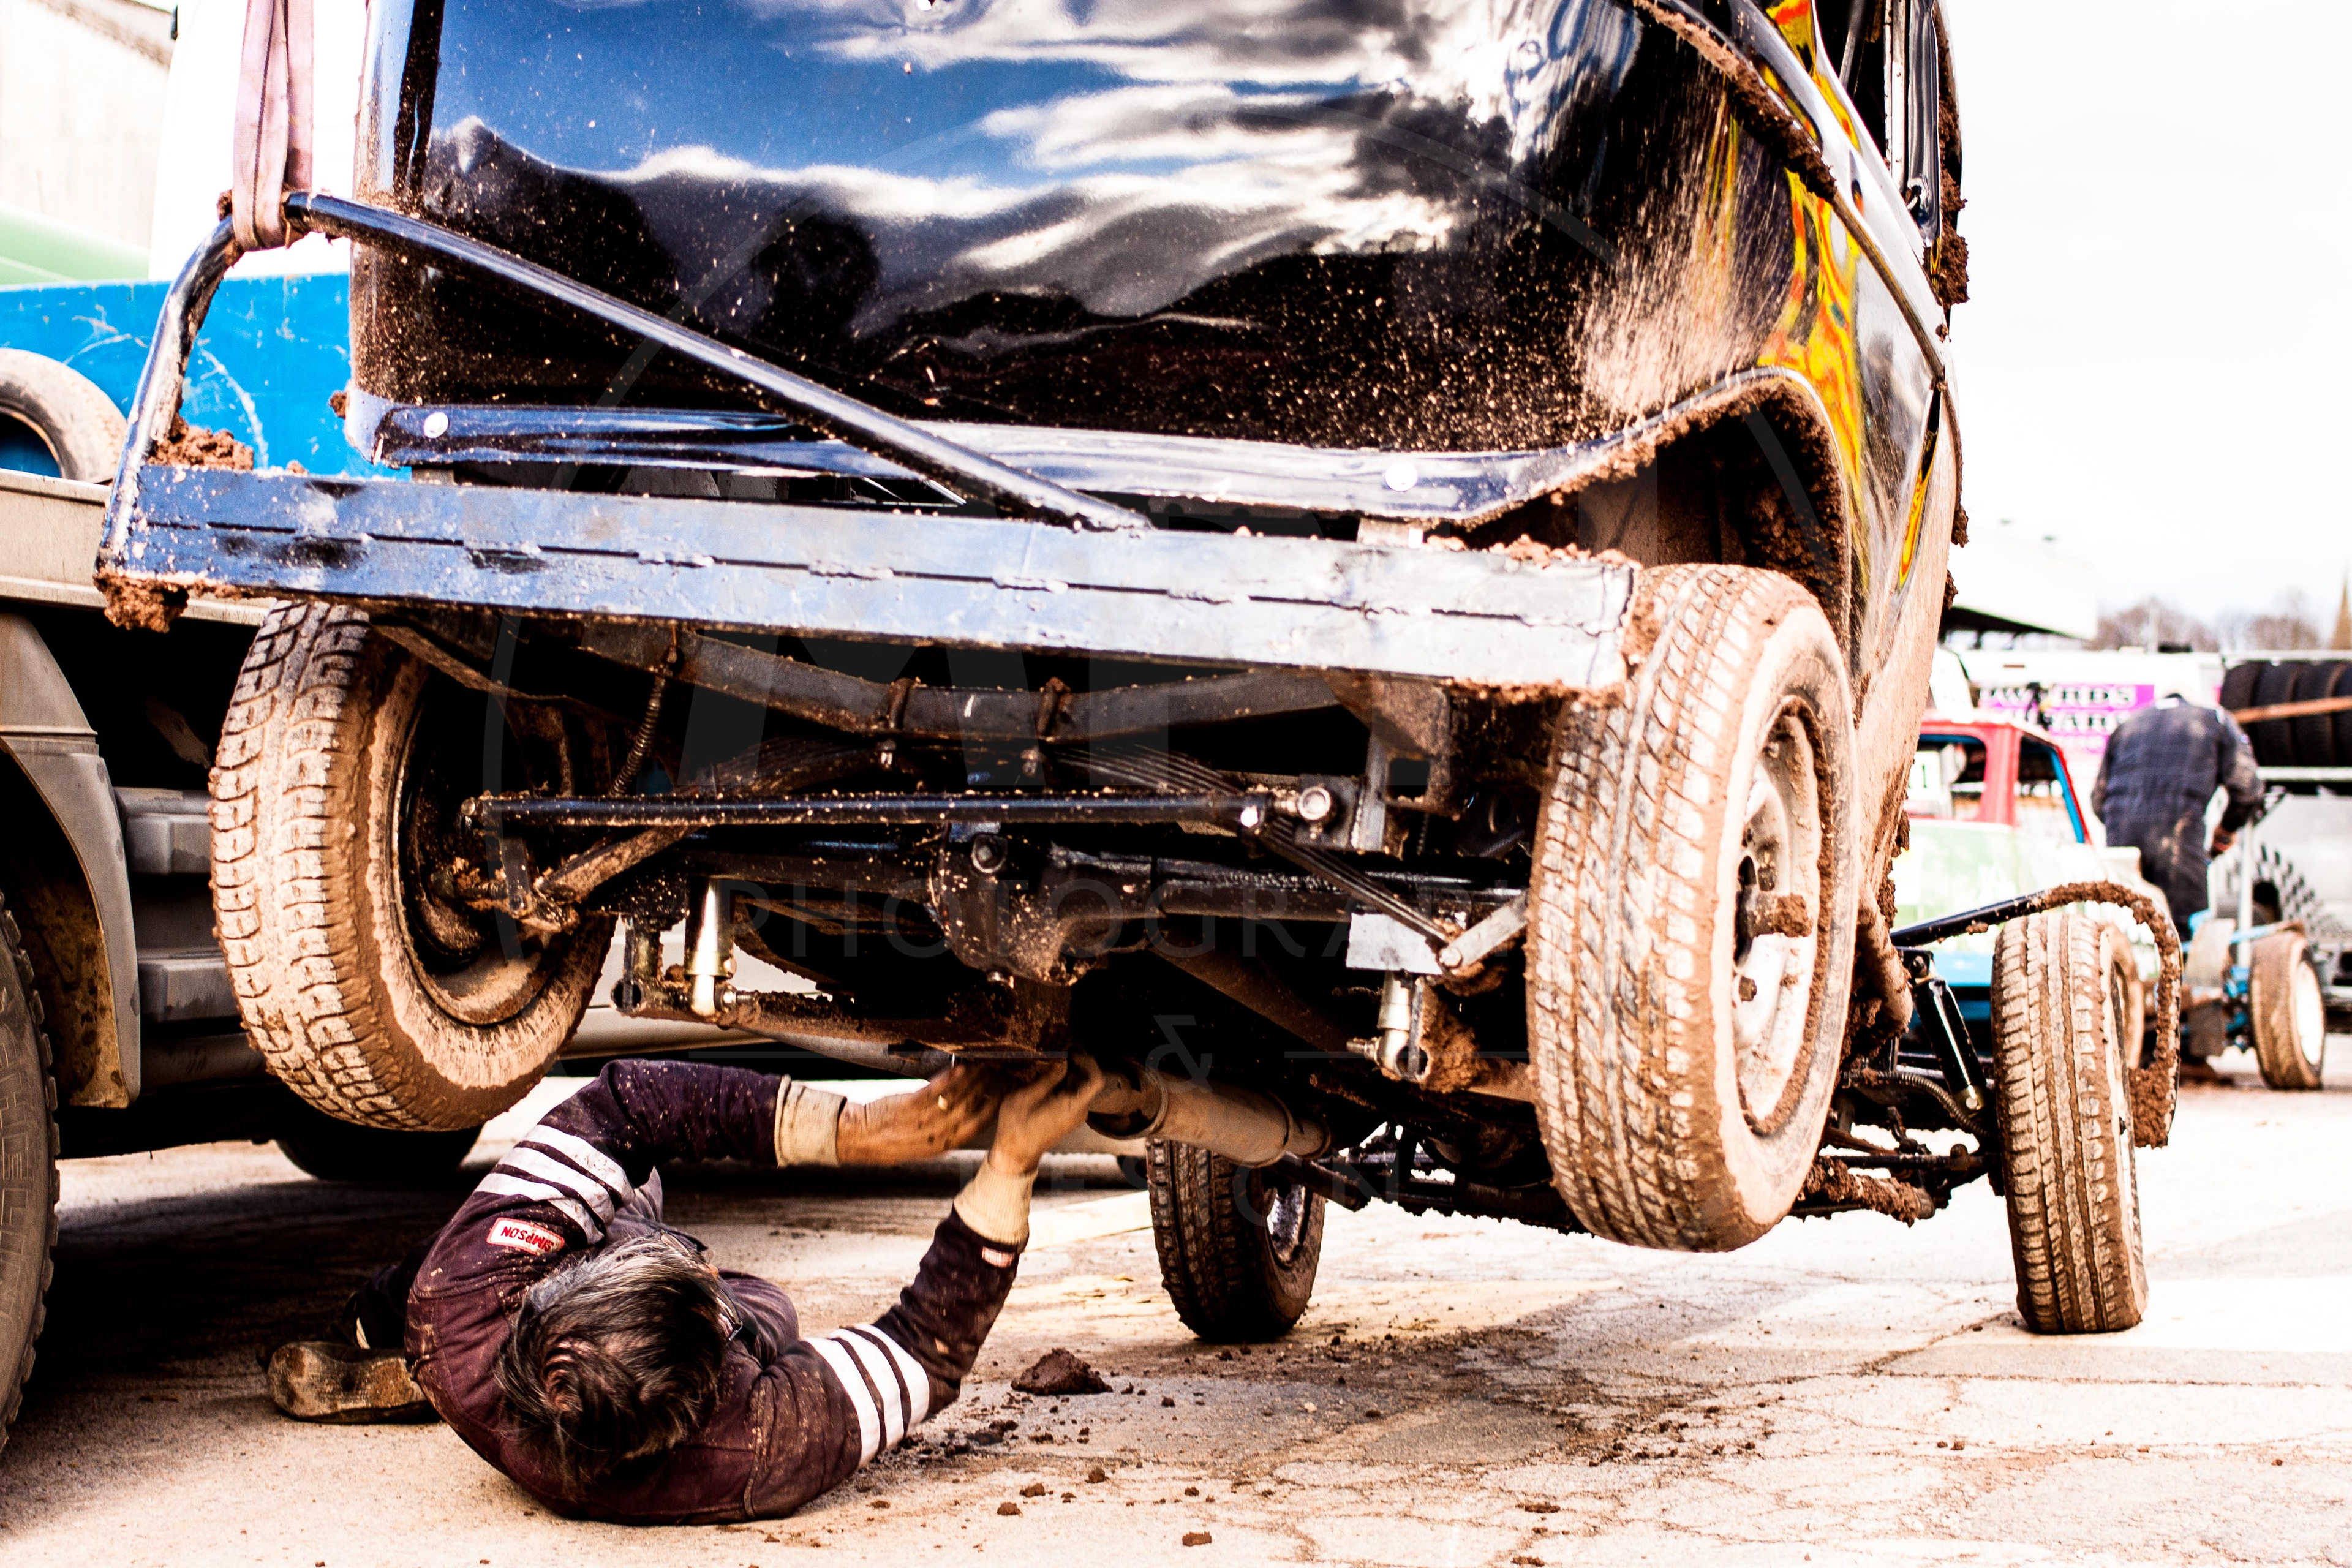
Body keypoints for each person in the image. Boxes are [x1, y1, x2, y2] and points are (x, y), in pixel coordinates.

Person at [268, 1055, 1101, 1521]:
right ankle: (407, 1341)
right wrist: (1012, 1163)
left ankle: (374, 1326)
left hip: (454, 1327)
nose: (702, 1270)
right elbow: (922, 1350)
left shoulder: (471, 1297)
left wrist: (854, 1131)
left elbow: (627, 1104)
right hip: (588, 1326)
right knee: (769, 1309)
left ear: (549, 1292)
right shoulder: (752, 1445)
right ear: (703, 1400)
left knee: (468, 1260)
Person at [2092, 687, 2264, 939]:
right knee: (2183, 937)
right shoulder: (2214, 720)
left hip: (2122, 847)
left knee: (2127, 934)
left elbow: (2098, 801)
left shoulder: (2127, 725)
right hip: (2178, 844)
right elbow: (2248, 789)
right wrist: (2226, 830)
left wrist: (2122, 825)